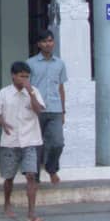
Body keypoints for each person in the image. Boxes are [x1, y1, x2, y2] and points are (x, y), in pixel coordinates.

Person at [0, 61, 45, 221]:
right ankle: (7, 203)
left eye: (27, 77)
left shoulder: (34, 91)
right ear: (13, 76)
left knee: (31, 176)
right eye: (21, 76)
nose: (24, 80)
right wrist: (3, 124)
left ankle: (31, 212)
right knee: (9, 177)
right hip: (10, 141)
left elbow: (39, 110)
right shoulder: (4, 93)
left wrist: (31, 93)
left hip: (30, 140)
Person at [27, 29, 68, 185]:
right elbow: (27, 87)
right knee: (37, 145)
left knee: (58, 142)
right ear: (39, 44)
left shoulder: (60, 63)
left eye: (50, 41)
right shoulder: (30, 63)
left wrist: (63, 111)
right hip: (37, 110)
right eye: (44, 41)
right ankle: (35, 178)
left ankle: (51, 168)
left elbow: (61, 88)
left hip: (56, 109)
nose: (48, 44)